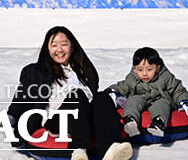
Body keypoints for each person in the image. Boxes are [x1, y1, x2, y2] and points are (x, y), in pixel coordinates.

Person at [8, 26, 133, 160]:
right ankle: (78, 151)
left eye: (64, 44)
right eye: (54, 45)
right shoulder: (35, 71)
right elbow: (21, 98)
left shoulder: (84, 70)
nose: (59, 50)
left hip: (84, 116)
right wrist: (11, 117)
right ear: (47, 49)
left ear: (72, 47)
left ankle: (111, 149)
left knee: (102, 96)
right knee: (76, 95)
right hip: (56, 119)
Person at [107, 47, 188, 138]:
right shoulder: (133, 78)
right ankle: (130, 121)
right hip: (140, 98)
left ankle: (158, 123)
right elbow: (122, 86)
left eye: (149, 69)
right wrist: (111, 91)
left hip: (159, 99)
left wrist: (184, 101)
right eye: (140, 70)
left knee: (162, 104)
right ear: (135, 69)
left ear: (157, 68)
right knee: (133, 101)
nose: (145, 73)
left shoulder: (165, 77)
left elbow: (177, 90)